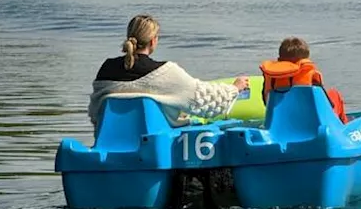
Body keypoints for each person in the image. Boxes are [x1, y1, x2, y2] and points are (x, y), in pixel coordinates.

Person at [89, 14, 249, 133]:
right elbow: (203, 100)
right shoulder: (165, 73)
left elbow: (94, 112)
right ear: (153, 41)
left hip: (109, 140)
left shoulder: (106, 69)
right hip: (154, 146)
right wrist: (234, 88)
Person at [259, 36, 348, 123]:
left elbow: (265, 102)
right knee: (334, 94)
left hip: (278, 124)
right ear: (305, 60)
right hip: (310, 123)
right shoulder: (310, 77)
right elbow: (327, 105)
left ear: (279, 59)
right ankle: (344, 127)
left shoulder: (272, 78)